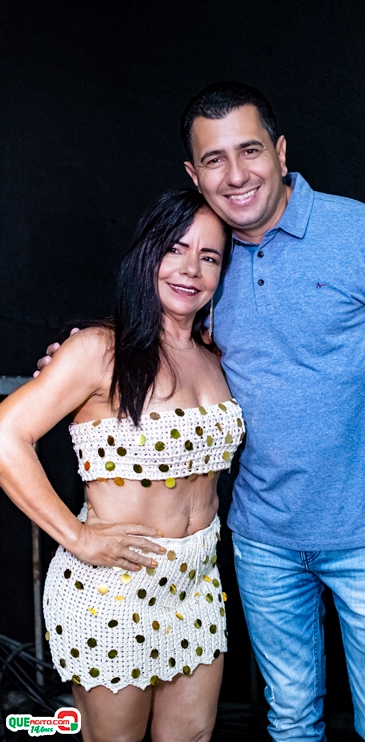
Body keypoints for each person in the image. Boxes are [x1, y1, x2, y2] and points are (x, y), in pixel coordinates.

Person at [38, 82, 365, 742]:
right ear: (193, 174)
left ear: (281, 152)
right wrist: (76, 363)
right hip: (262, 544)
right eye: (214, 159)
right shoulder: (208, 261)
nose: (235, 175)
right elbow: (162, 341)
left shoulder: (362, 232)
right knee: (288, 720)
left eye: (250, 150)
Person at [0, 188, 245, 742]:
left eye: (209, 256)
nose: (191, 269)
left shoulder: (215, 355)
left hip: (197, 584)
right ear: (147, 255)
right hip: (114, 589)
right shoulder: (99, 349)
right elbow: (6, 435)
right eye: (175, 248)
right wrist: (78, 537)